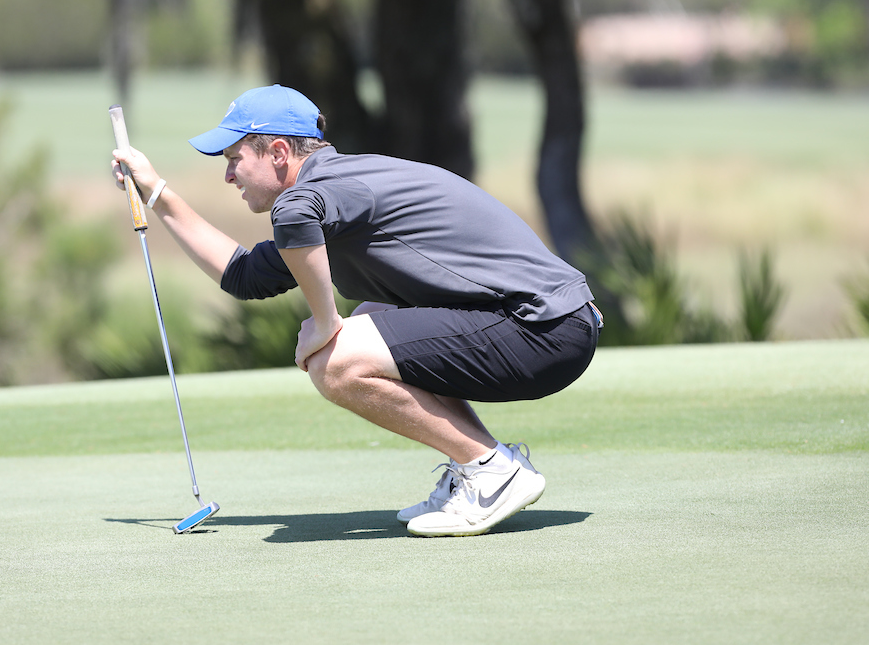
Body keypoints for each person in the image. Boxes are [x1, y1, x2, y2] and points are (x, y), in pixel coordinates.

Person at [111, 84, 601, 537]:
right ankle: (480, 468)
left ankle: (491, 471)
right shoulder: (332, 195)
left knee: (337, 361)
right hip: (543, 325)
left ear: (279, 153)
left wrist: (325, 325)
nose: (228, 174)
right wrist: (156, 192)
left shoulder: (323, 191)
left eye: (235, 157)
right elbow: (243, 275)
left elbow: (295, 214)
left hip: (544, 329)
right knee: (366, 318)